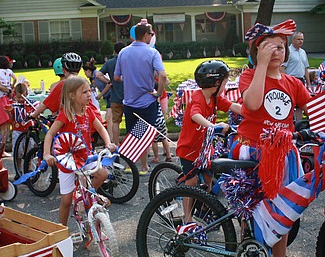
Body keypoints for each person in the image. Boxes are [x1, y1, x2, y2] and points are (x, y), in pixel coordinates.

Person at [231, 20, 311, 257]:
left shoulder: (292, 82)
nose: (277, 51)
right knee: (250, 212)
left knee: (283, 214)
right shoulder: (249, 77)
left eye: (281, 46)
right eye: (269, 47)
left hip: (283, 156)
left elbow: (311, 105)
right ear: (256, 52)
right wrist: (261, 67)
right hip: (252, 153)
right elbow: (251, 104)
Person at [42, 76, 116, 225]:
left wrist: (109, 143)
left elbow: (101, 128)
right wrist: (47, 154)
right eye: (84, 92)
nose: (89, 94)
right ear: (72, 95)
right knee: (66, 200)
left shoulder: (88, 112)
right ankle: (62, 229)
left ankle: (85, 195)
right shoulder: (66, 114)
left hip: (85, 157)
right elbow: (50, 134)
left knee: (103, 173)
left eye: (89, 91)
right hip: (67, 161)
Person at [177, 60, 241, 221]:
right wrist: (213, 126)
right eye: (225, 83)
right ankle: (187, 218)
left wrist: (253, 114)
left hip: (205, 149)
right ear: (216, 82)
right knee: (190, 183)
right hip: (189, 149)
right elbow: (195, 115)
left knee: (208, 179)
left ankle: (205, 209)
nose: (226, 87)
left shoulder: (215, 98)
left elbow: (234, 107)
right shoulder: (198, 97)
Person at [114, 22, 167, 174]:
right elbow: (162, 75)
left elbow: (117, 76)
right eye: (151, 34)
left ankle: (129, 165)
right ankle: (143, 166)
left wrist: (129, 78)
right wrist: (159, 92)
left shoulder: (123, 52)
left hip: (129, 102)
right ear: (145, 35)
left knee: (133, 134)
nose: (152, 37)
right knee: (144, 135)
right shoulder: (152, 53)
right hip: (147, 101)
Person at [98, 42, 125, 144]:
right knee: (132, 123)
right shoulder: (127, 61)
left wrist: (109, 81)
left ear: (114, 51)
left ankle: (116, 144)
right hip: (129, 97)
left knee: (115, 122)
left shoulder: (109, 63)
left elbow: (98, 75)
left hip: (115, 97)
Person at [283, 32, 310, 120]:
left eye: (302, 39)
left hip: (301, 81)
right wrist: (285, 81)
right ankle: (289, 122)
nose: (300, 41)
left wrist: (308, 83)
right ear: (293, 40)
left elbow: (306, 69)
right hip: (291, 81)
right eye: (298, 39)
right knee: (290, 103)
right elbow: (282, 68)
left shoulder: (303, 52)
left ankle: (299, 124)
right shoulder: (288, 51)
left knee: (300, 105)